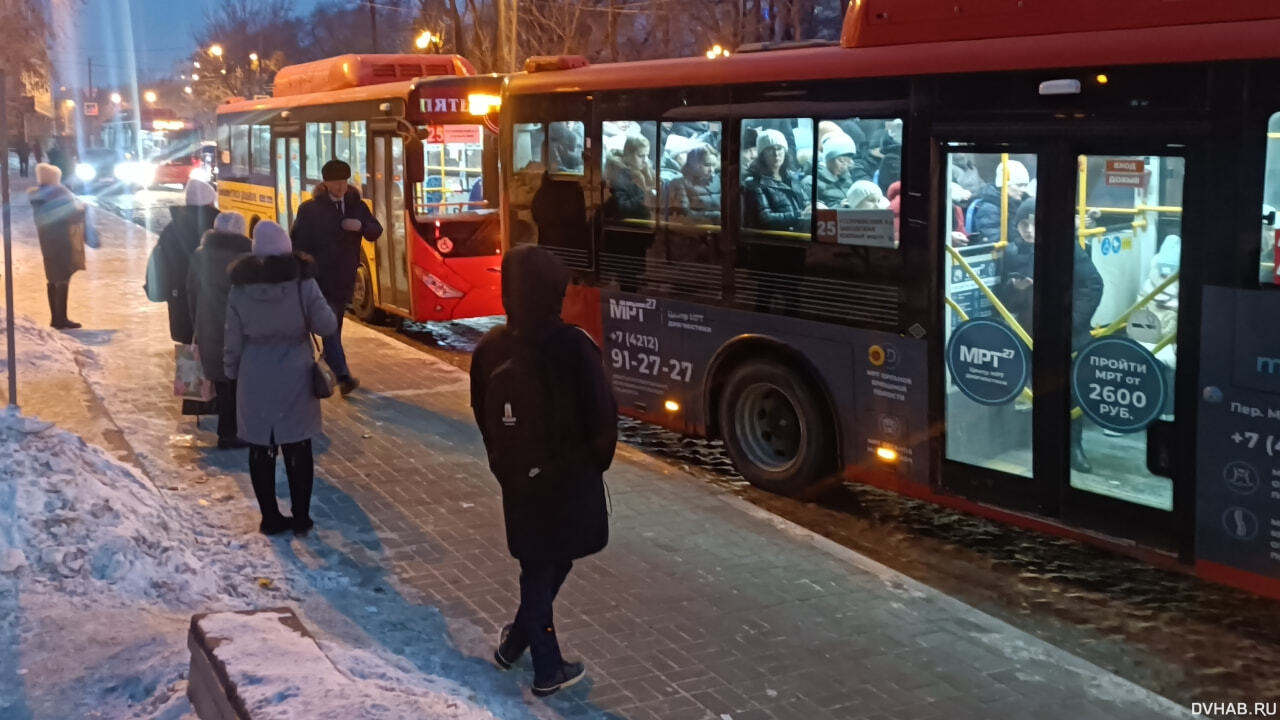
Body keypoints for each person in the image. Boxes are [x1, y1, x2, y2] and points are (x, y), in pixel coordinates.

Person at [471, 245, 616, 698]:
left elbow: (483, 415)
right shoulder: (574, 345)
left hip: (518, 479)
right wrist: (590, 468)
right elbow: (604, 420)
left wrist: (506, 466)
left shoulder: (490, 348)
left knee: (544, 558)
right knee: (544, 565)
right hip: (570, 480)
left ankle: (515, 644)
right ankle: (547, 669)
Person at [224, 221, 337, 536]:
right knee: (298, 446)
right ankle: (301, 516)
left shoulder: (239, 288)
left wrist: (231, 372)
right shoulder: (302, 283)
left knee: (261, 448)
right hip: (295, 373)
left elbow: (231, 338)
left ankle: (270, 518)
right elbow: (326, 325)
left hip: (254, 372)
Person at [290, 159, 383, 396]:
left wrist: (361, 225)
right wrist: (304, 271)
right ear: (325, 184)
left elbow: (376, 230)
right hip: (320, 279)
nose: (340, 188)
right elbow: (297, 243)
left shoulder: (356, 205)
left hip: (344, 279)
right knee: (330, 327)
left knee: (334, 327)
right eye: (335, 184)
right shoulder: (310, 209)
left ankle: (326, 367)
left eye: (343, 182)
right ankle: (343, 377)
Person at [188, 212, 253, 449]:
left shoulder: (200, 255)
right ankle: (229, 433)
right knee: (236, 381)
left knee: (222, 379)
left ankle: (228, 428)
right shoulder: (247, 258)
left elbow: (191, 292)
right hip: (238, 327)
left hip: (208, 325)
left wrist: (197, 322)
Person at [146, 178, 218, 344]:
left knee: (187, 348)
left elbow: (161, 262)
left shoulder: (172, 229)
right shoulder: (216, 227)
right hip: (212, 301)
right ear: (208, 202)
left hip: (179, 298)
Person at [29, 163, 87, 329]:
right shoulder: (58, 194)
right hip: (62, 239)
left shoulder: (37, 196)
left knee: (53, 277)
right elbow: (72, 216)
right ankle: (61, 318)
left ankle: (56, 317)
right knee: (63, 277)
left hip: (47, 241)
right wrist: (82, 209)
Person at [742, 129, 809, 232]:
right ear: (762, 155)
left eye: (779, 149)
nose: (776, 154)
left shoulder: (792, 177)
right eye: (770, 149)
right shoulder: (755, 183)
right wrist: (799, 215)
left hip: (799, 234)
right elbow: (766, 218)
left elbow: (806, 202)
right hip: (776, 239)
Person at [967, 159, 1030, 245]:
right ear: (1003, 185)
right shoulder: (989, 209)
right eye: (1019, 185)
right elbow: (994, 242)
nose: (1023, 189)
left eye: (1025, 185)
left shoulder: (1024, 203)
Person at [603, 135, 656, 221]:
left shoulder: (646, 170)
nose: (645, 160)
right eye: (641, 156)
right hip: (627, 225)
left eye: (647, 155)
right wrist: (645, 198)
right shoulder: (617, 175)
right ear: (627, 154)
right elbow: (621, 207)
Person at [665, 146, 721, 225]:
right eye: (707, 165)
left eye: (713, 165)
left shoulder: (718, 180)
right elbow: (684, 214)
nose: (711, 170)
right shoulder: (679, 183)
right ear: (695, 165)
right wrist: (716, 216)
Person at [816, 133, 859, 209]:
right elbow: (811, 211)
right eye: (841, 161)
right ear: (828, 158)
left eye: (848, 162)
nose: (844, 166)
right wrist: (839, 207)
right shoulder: (812, 181)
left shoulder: (846, 178)